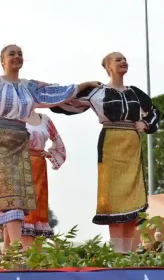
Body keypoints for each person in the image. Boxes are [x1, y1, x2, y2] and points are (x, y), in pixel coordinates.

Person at [0, 44, 100, 248]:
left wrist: (82, 85)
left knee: (19, 201)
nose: (16, 57)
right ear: (2, 61)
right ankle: (16, 251)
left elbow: (57, 91)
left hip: (20, 142)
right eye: (11, 54)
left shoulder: (29, 87)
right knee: (9, 196)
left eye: (19, 54)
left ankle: (9, 253)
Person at [50, 52, 160, 253]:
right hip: (110, 143)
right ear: (108, 66)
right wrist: (83, 85)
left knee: (133, 198)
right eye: (118, 59)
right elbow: (63, 103)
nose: (123, 61)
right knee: (113, 197)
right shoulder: (97, 92)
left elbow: (154, 113)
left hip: (132, 145)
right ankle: (118, 253)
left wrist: (144, 123)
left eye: (125, 59)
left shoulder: (134, 93)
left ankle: (130, 254)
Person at [21, 111, 65, 249]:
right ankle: (21, 250)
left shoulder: (45, 119)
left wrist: (50, 153)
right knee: (23, 205)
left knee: (38, 204)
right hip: (21, 164)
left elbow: (58, 142)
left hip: (39, 165)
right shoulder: (15, 115)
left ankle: (35, 254)